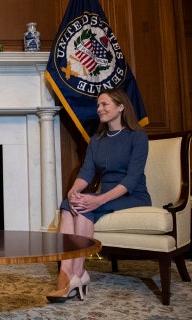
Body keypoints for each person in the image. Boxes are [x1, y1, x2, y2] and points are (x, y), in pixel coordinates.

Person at [46, 88, 151, 303]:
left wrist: (98, 199)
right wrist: (74, 191)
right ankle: (67, 273)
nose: (99, 109)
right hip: (106, 194)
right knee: (68, 204)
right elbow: (87, 172)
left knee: (85, 208)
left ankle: (76, 273)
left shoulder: (138, 137)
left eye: (105, 105)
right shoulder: (97, 139)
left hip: (133, 195)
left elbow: (131, 179)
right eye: (98, 105)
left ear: (120, 107)